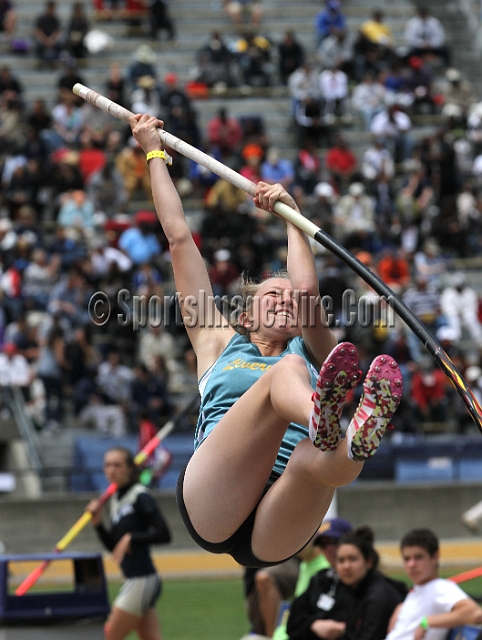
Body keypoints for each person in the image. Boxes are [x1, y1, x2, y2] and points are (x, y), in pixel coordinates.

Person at [129, 112, 404, 571]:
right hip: (215, 499)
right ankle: (327, 418)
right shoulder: (217, 342)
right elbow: (179, 240)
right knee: (288, 378)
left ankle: (355, 432)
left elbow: (307, 293)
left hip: (281, 525)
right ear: (245, 312)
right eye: (270, 295)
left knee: (323, 458)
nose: (285, 302)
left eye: (289, 301)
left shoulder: (313, 349)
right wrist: (154, 153)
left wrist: (294, 216)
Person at [87, 447, 172, 640]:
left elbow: (164, 534)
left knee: (110, 635)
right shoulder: (115, 500)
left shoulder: (140, 495)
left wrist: (132, 537)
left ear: (129, 469)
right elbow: (115, 549)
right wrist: (98, 524)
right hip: (131, 579)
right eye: (107, 465)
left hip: (142, 579)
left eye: (117, 465)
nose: (111, 470)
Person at [287, 526, 407, 640]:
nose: (346, 566)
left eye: (352, 559)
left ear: (369, 561)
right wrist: (313, 624)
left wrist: (344, 630)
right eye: (341, 560)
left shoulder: (378, 594)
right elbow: (293, 622)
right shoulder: (325, 579)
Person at [386, 528, 482, 640]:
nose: (411, 564)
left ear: (435, 557)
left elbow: (475, 613)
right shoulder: (418, 591)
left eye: (418, 557)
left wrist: (427, 622)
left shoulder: (440, 587)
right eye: (407, 559)